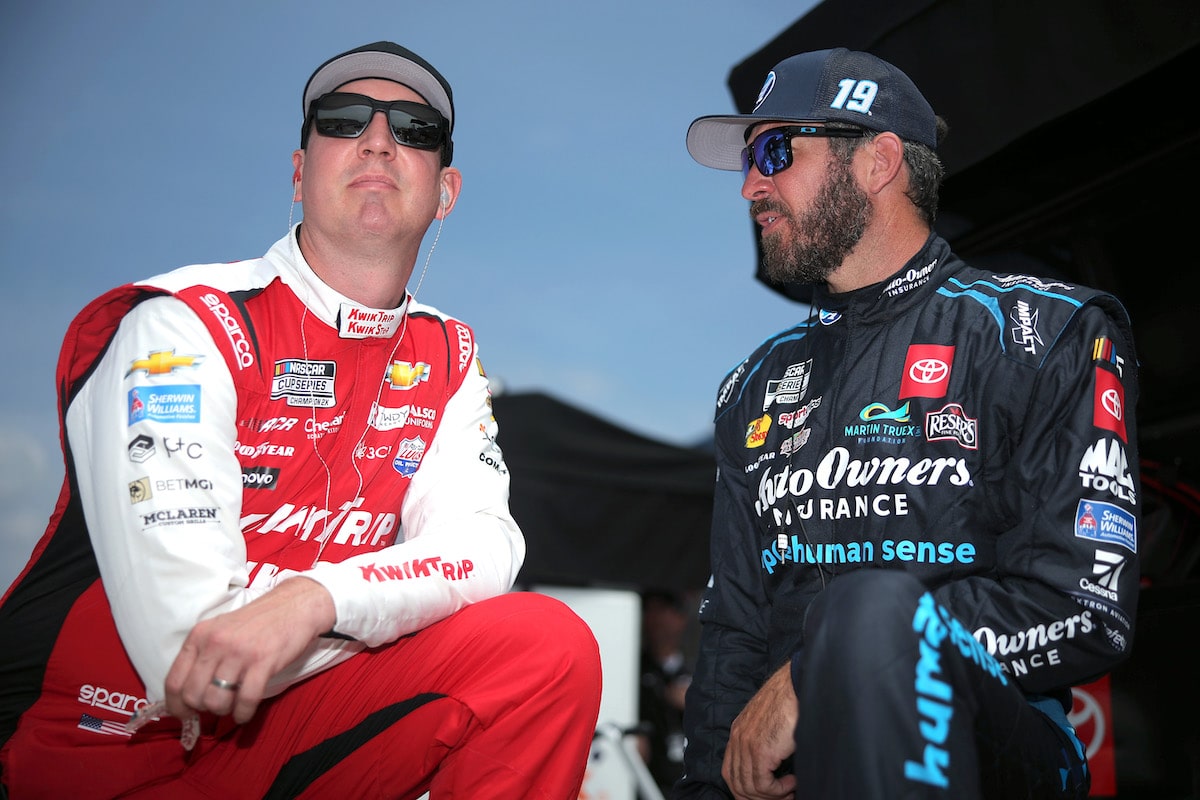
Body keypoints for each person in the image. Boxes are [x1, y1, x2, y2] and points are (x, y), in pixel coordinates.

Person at [0, 41, 601, 799]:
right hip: (109, 752)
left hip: (287, 734)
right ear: (297, 170)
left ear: (445, 192)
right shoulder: (183, 325)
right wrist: (400, 601)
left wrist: (315, 598)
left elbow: (487, 547)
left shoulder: (447, 353)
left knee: (545, 648)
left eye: (414, 129)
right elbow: (193, 653)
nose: (379, 139)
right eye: (345, 120)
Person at [675, 47, 1140, 799]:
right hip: (797, 773)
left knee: (867, 610)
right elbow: (734, 631)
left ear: (879, 161)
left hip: (999, 758)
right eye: (748, 164)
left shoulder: (1042, 332)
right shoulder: (753, 386)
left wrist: (824, 663)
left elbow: (1084, 606)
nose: (752, 186)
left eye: (773, 151)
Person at [638, 590, 693, 792]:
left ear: (681, 618)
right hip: (645, 780)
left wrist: (696, 701)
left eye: (663, 609)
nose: (655, 618)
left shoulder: (699, 672)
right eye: (649, 610)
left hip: (686, 781)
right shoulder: (631, 670)